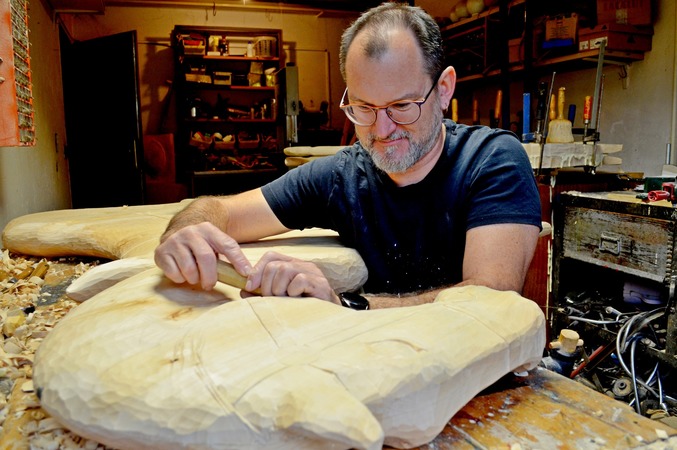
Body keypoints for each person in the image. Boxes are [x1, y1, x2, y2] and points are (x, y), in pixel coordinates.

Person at [154, 3, 542, 309]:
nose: (382, 129)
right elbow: (221, 210)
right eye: (363, 108)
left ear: (443, 89)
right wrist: (185, 232)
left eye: (402, 106)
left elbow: (488, 301)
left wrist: (345, 304)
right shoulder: (342, 176)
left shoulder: (492, 160)